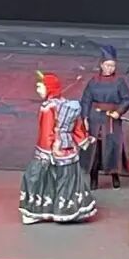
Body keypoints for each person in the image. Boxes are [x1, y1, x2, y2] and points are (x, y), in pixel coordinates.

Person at [20, 72, 98, 225]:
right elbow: (77, 127)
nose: (38, 90)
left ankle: (37, 211)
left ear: (48, 88)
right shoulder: (69, 105)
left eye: (40, 87)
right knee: (67, 180)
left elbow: (47, 131)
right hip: (67, 150)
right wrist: (83, 140)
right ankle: (68, 210)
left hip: (52, 150)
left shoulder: (48, 107)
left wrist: (45, 152)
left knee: (39, 179)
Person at [80, 46, 129, 190]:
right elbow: (86, 100)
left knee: (113, 147)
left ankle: (115, 176)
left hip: (111, 119)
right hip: (95, 119)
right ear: (101, 65)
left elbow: (127, 99)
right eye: (107, 65)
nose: (110, 68)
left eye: (113, 66)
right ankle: (94, 178)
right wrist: (85, 117)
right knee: (94, 150)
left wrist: (119, 112)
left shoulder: (119, 82)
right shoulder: (93, 81)